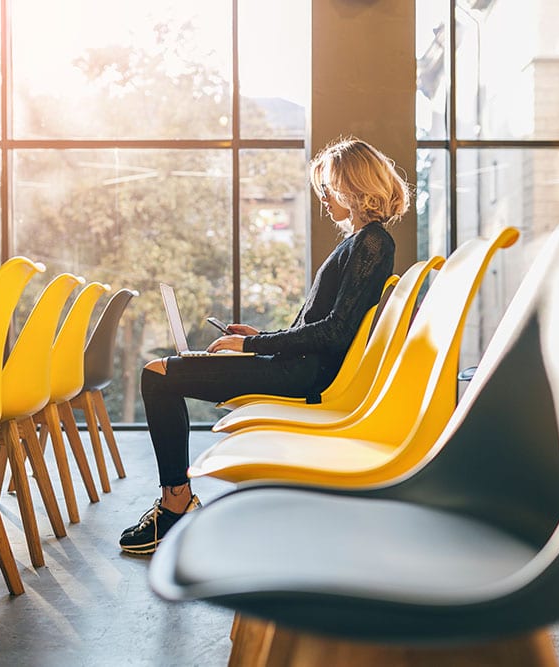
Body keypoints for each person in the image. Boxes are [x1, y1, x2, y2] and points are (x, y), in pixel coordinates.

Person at [119, 137, 410, 554]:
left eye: (328, 187)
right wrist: (258, 339)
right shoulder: (360, 242)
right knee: (162, 373)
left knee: (158, 375)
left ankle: (175, 504)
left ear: (353, 185)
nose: (324, 199)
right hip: (293, 365)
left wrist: (252, 348)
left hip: (300, 374)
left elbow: (334, 332)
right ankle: (176, 501)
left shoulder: (372, 243)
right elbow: (320, 325)